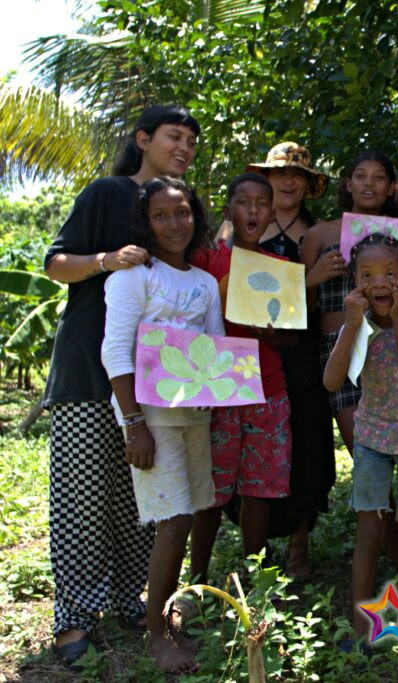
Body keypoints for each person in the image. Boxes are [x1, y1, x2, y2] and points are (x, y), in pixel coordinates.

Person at [43, 104, 200, 669]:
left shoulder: (178, 207)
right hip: (89, 372)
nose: (184, 147)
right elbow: (55, 263)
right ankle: (75, 619)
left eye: (191, 141)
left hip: (154, 384)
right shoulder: (106, 193)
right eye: (173, 136)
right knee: (83, 498)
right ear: (142, 139)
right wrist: (106, 260)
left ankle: (130, 600)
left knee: (142, 500)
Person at [100, 177, 221, 672]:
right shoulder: (133, 276)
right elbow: (115, 352)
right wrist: (134, 423)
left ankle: (169, 620)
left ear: (196, 216)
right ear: (145, 223)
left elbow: (213, 347)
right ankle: (157, 635)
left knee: (188, 515)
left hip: (194, 415)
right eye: (161, 215)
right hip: (149, 418)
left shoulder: (205, 283)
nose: (174, 223)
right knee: (172, 521)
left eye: (183, 212)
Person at [322, 233, 398, 666]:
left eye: (390, 273)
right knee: (369, 533)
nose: (379, 282)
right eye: (367, 276)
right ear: (355, 283)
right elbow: (332, 382)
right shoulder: (355, 324)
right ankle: (361, 631)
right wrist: (353, 324)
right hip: (372, 441)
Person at [302, 150, 398, 576]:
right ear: (347, 184)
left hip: (389, 350)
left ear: (391, 188)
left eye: (378, 177)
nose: (369, 183)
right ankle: (396, 560)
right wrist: (314, 277)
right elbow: (293, 307)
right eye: (360, 176)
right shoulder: (319, 235)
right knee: (366, 457)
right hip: (339, 348)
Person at [189, 173, 298, 582]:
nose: (253, 210)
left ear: (272, 214)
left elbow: (291, 337)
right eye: (244, 202)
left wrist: (269, 335)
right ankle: (197, 581)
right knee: (210, 493)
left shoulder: (282, 268)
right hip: (216, 391)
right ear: (228, 209)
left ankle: (256, 582)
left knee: (258, 491)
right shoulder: (206, 260)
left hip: (267, 391)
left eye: (262, 204)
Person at [246, 142, 335, 578]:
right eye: (279, 173)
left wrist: (307, 283)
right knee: (250, 448)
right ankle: (254, 551)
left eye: (297, 175)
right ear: (266, 179)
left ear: (308, 185)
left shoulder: (317, 234)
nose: (287, 181)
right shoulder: (243, 229)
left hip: (305, 354)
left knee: (309, 446)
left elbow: (321, 301)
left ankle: (300, 543)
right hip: (251, 351)